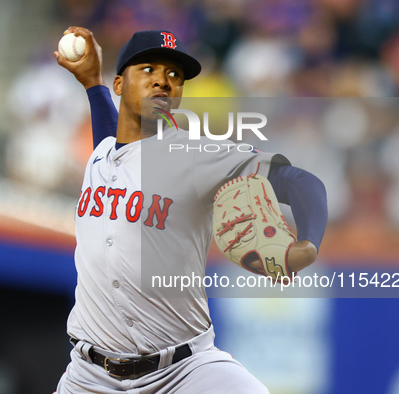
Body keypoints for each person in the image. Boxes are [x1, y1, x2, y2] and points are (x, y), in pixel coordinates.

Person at [54, 26, 328, 393]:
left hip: (182, 373)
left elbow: (302, 183)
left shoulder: (197, 156)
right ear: (119, 85)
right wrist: (91, 83)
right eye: (148, 69)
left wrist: (308, 244)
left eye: (174, 75)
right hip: (89, 377)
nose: (163, 82)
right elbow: (112, 137)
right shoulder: (102, 156)